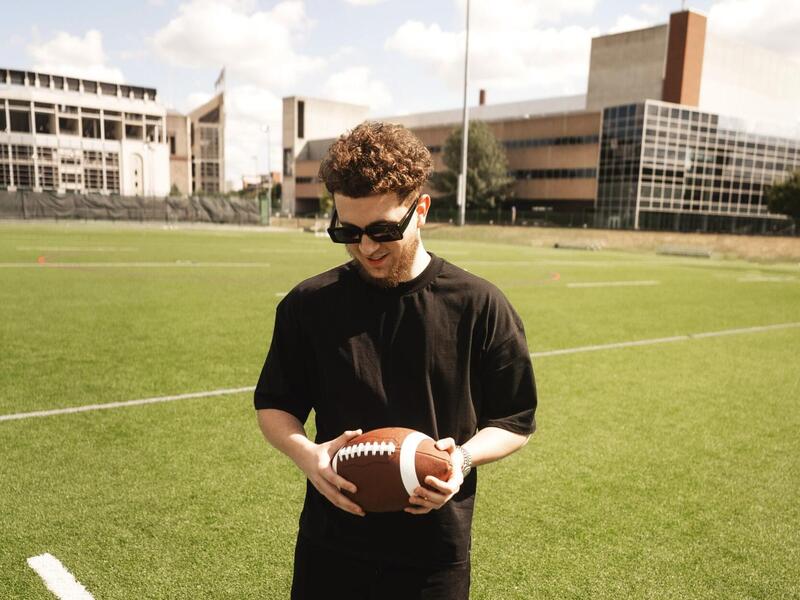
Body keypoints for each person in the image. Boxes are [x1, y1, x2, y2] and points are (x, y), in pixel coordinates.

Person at [254, 121, 537, 599]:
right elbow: (274, 405)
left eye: (384, 229)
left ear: (420, 209)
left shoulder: (480, 305)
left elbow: (514, 421)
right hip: (331, 549)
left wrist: (462, 459)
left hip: (433, 557)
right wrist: (308, 454)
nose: (367, 247)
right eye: (348, 230)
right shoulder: (308, 305)